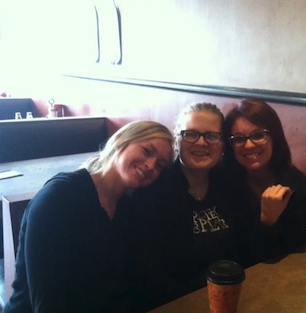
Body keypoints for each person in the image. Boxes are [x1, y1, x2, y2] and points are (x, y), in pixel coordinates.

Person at [3, 121, 174, 313]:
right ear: (119, 141)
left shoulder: (127, 211)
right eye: (146, 151)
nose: (151, 165)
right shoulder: (60, 196)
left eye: (160, 165)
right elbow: (47, 303)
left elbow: (124, 287)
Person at [131, 103, 243, 311]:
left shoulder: (229, 184)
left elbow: (240, 250)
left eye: (211, 136)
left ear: (222, 144)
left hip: (226, 299)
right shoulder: (152, 191)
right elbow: (147, 274)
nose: (201, 143)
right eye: (191, 134)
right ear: (177, 141)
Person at [223, 98, 306, 267]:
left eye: (259, 135)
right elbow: (230, 247)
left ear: (275, 138)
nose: (249, 145)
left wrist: (267, 222)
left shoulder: (298, 188)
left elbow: (292, 254)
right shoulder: (223, 179)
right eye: (238, 138)